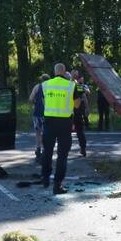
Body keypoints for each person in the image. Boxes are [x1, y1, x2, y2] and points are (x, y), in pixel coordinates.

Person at [40, 63, 75, 194]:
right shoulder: (71, 86)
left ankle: (45, 178)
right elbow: (76, 105)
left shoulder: (45, 85)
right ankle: (57, 185)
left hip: (49, 122)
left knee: (47, 151)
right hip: (65, 123)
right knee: (62, 155)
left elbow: (44, 102)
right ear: (65, 71)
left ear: (54, 71)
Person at [28, 74, 50, 157]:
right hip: (48, 113)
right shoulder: (51, 87)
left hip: (37, 113)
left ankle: (38, 148)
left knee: (38, 132)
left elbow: (31, 98)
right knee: (46, 132)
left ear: (41, 80)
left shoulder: (37, 86)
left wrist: (35, 102)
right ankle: (45, 149)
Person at [72, 74, 89, 157]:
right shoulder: (77, 86)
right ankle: (83, 148)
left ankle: (82, 148)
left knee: (66, 132)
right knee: (80, 131)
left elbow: (86, 94)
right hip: (76, 112)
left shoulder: (70, 86)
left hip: (68, 113)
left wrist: (87, 108)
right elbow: (86, 93)